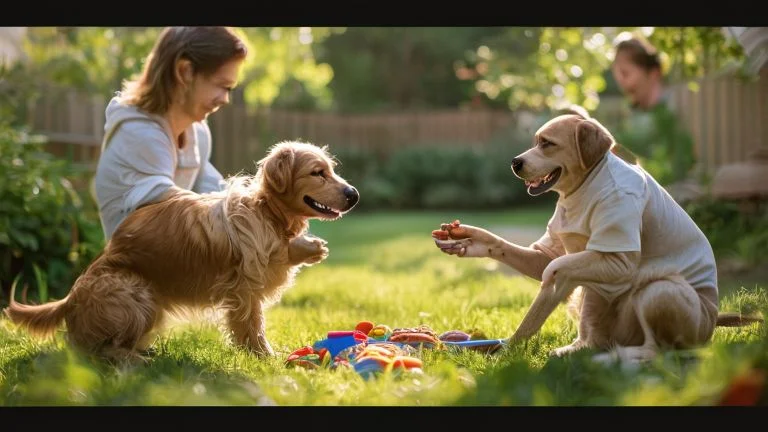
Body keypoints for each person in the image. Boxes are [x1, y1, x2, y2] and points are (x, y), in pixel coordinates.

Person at [93, 26, 248, 241]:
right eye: (222, 86)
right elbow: (172, 207)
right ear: (185, 72)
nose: (225, 99)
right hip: (132, 267)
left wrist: (265, 208)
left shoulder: (197, 132)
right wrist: (251, 217)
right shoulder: (138, 133)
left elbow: (214, 189)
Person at [608, 36, 697, 191]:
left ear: (653, 74)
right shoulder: (632, 118)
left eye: (625, 73)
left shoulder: (675, 114)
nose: (621, 83)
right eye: (618, 75)